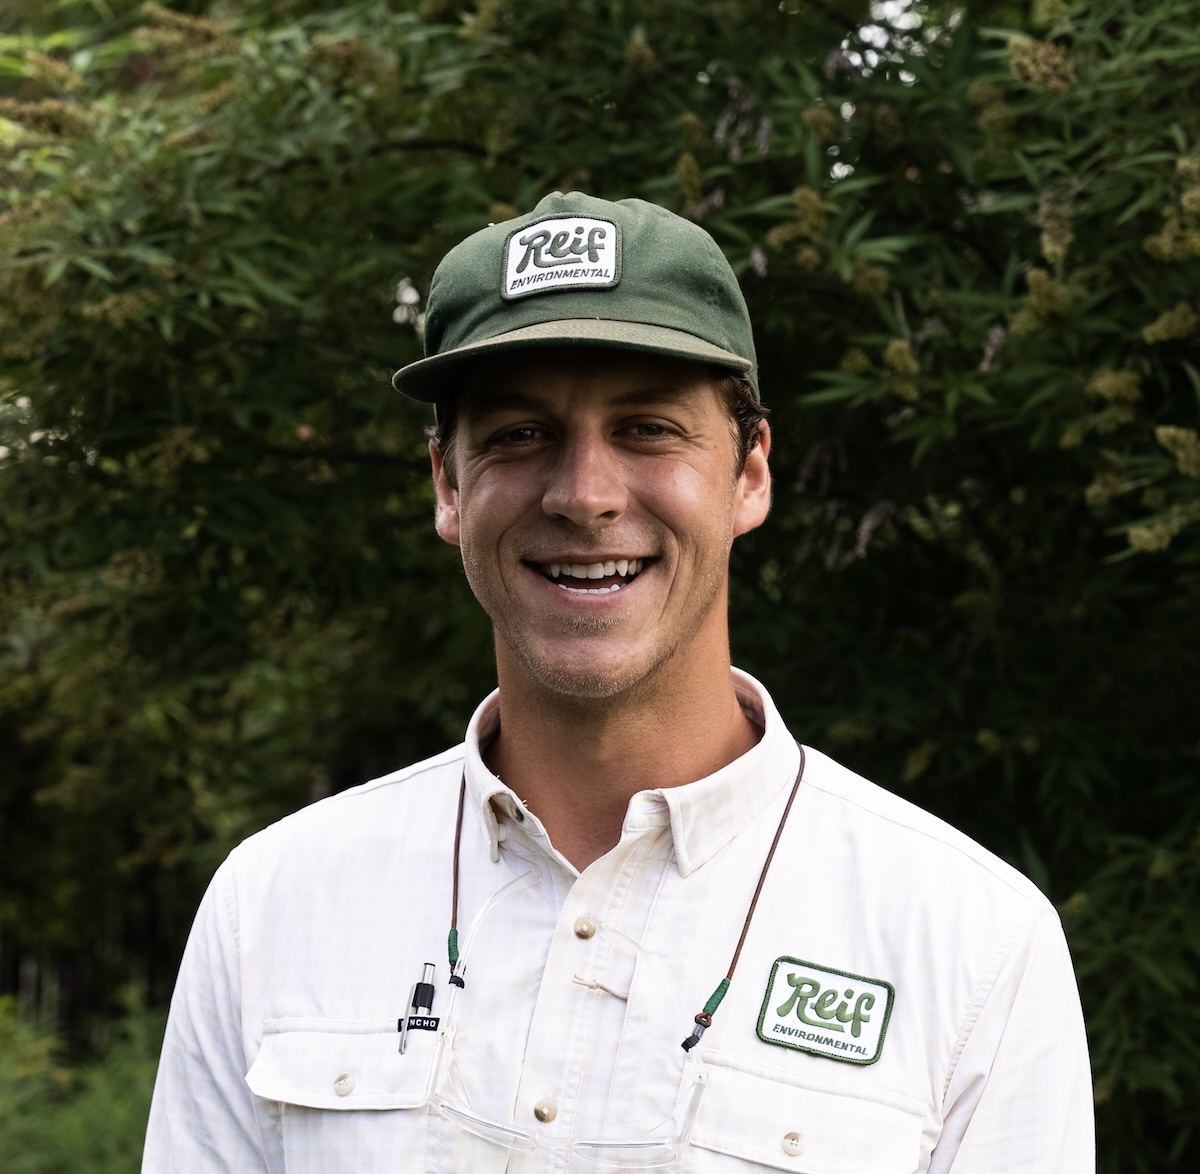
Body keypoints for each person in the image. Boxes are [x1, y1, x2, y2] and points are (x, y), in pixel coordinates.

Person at [143, 191, 1094, 1173]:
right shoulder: (275, 902)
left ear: (751, 473)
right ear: (446, 483)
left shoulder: (974, 943)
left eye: (646, 428)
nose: (584, 494)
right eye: (519, 434)